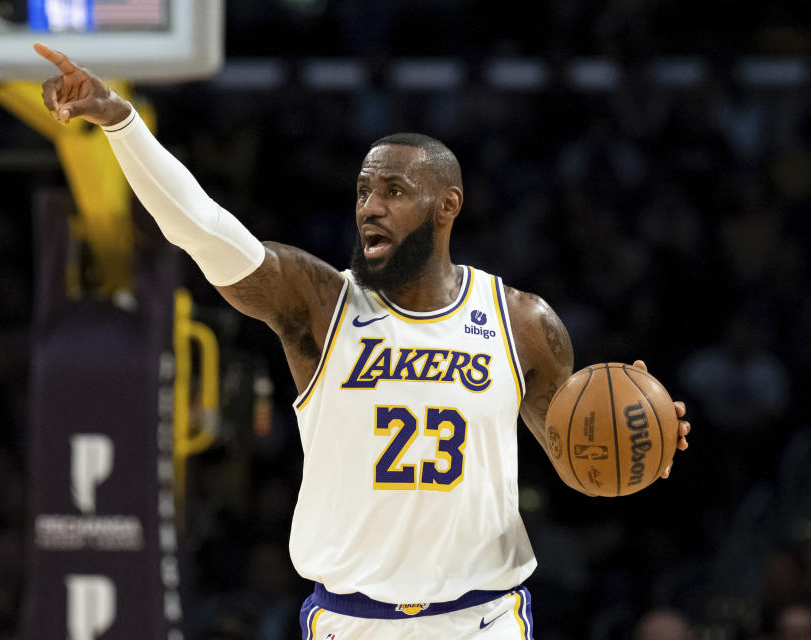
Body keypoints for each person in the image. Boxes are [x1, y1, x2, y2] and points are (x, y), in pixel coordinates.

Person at [34, 43, 691, 640]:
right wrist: (121, 121)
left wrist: (636, 440)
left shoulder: (520, 320)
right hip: (351, 620)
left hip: (482, 619)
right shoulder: (317, 303)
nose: (370, 205)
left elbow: (573, 452)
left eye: (394, 190)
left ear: (446, 206)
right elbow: (202, 230)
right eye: (364, 190)